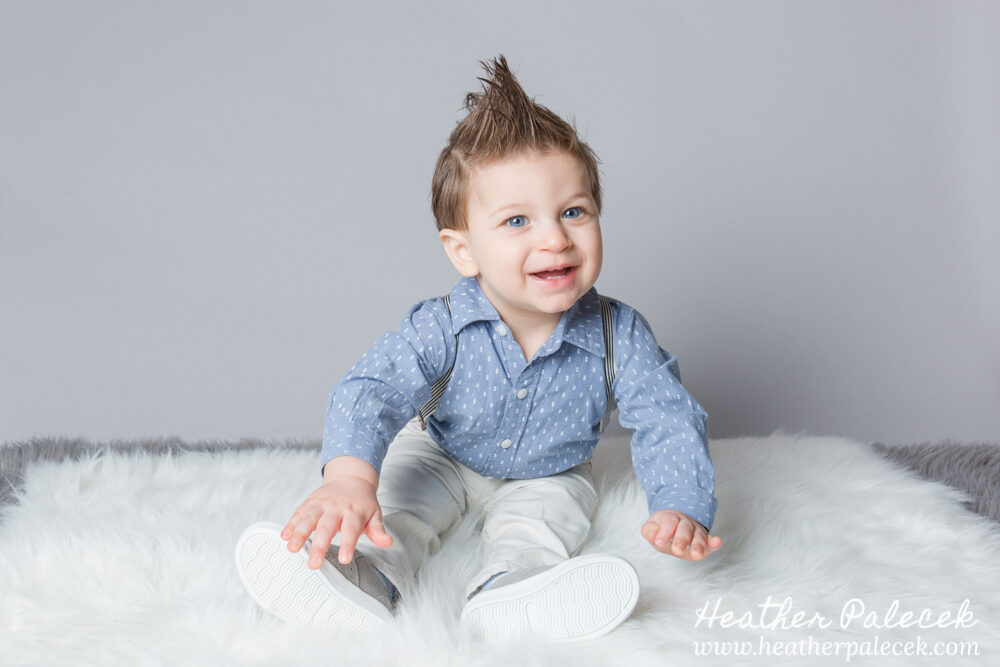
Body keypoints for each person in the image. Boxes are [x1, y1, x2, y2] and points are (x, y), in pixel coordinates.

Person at [235, 54, 722, 643]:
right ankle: (360, 579)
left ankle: (511, 590)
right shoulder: (443, 327)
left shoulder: (619, 334)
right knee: (395, 513)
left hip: (550, 471)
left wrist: (681, 505)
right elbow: (373, 388)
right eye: (518, 221)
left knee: (540, 526)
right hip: (442, 452)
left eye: (574, 212)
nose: (555, 238)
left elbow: (667, 416)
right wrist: (348, 478)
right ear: (463, 251)